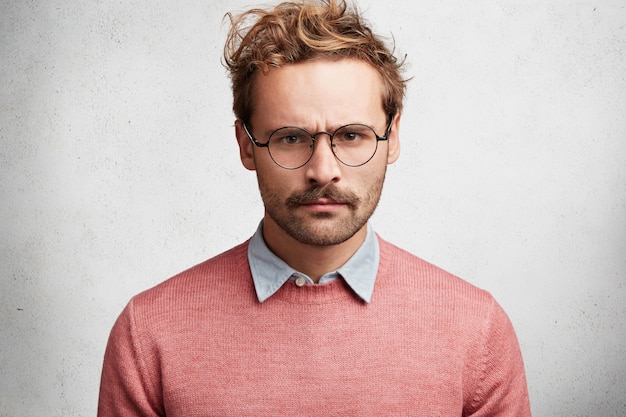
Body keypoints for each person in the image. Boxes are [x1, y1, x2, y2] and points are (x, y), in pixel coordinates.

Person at [97, 0, 531, 415]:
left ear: (392, 137)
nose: (323, 171)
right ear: (246, 146)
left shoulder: (476, 330)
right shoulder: (149, 333)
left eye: (352, 135)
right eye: (290, 137)